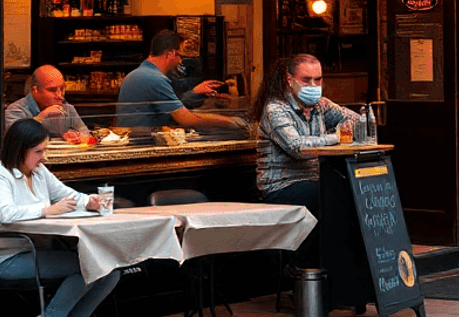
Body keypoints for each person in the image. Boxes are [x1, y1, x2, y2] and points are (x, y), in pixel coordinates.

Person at [0, 118, 117, 317]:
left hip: (40, 252)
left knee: (110, 271)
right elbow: (5, 213)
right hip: (11, 259)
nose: (43, 157)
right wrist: (48, 209)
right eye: (38, 151)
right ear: (20, 149)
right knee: (87, 266)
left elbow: (65, 193)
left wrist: (89, 201)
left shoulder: (39, 171)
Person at [253, 53, 360, 267]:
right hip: (281, 187)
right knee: (330, 196)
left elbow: (358, 120)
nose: (313, 85)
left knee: (348, 195)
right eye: (306, 80)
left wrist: (342, 130)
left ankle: (337, 276)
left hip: (313, 182)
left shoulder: (321, 106)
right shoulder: (275, 109)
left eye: (318, 80)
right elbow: (297, 147)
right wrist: (337, 137)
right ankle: (306, 270)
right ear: (289, 79)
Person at [115, 30, 234, 131]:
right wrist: (229, 123)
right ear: (170, 53)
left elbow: (168, 113)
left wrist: (195, 94)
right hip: (143, 145)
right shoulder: (154, 79)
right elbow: (186, 120)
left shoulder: (136, 74)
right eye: (179, 55)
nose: (180, 61)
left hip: (134, 141)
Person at [4, 65, 87, 135]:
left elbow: (87, 136)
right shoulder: (15, 110)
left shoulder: (67, 109)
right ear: (35, 90)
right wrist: (42, 116)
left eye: (62, 89)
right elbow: (15, 139)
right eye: (52, 90)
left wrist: (77, 136)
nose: (60, 96)